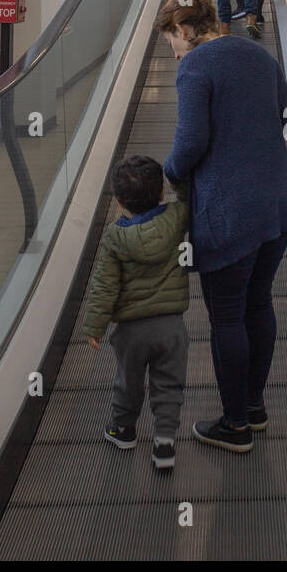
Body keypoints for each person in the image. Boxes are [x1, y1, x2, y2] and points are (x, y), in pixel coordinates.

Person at [156, 0, 287, 453]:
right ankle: (253, 407)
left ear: (182, 26)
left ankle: (234, 425)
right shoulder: (258, 55)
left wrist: (168, 175)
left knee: (227, 317)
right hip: (275, 202)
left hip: (229, 214)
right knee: (260, 304)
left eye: (171, 41)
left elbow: (191, 141)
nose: (173, 53)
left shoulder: (196, 66)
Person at [81, 155, 191, 470]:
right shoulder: (176, 217)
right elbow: (189, 199)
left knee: (128, 381)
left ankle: (123, 429)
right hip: (171, 327)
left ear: (118, 201)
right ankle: (165, 443)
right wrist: (178, 182)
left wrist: (94, 326)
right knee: (169, 384)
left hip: (131, 331)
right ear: (161, 194)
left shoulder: (115, 238)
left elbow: (105, 285)